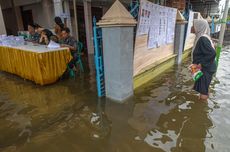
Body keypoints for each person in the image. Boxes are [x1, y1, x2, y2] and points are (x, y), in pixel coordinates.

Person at [192, 19, 217, 100]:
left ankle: (201, 108)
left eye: (194, 25)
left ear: (199, 27)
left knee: (203, 90)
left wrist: (201, 64)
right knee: (204, 87)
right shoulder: (203, 36)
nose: (192, 27)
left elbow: (212, 53)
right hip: (207, 66)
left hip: (206, 68)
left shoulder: (202, 38)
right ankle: (202, 104)